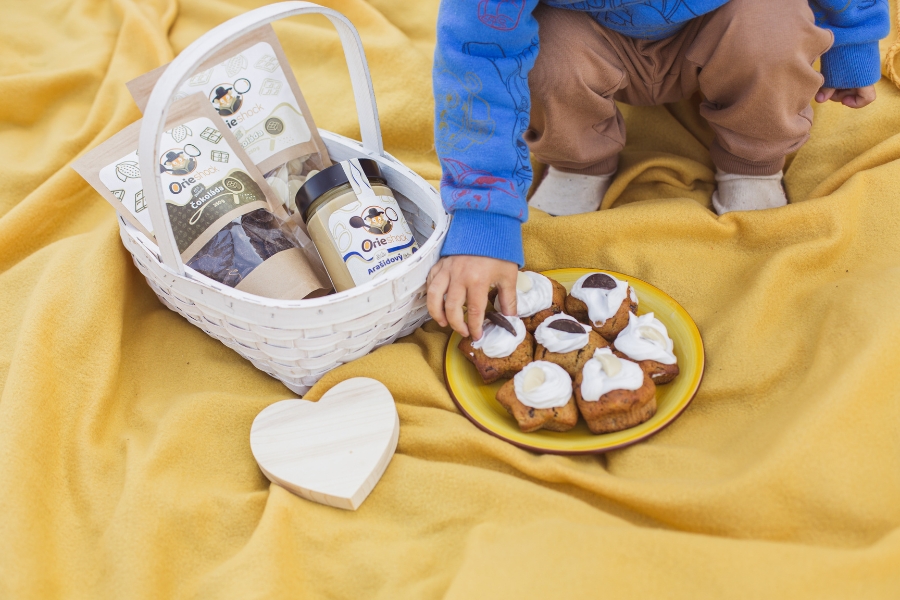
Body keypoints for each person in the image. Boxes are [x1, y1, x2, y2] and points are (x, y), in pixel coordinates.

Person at [426, 0, 890, 340]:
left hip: (723, 24)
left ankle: (752, 161)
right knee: (548, 55)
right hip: (585, 37)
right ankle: (578, 158)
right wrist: (483, 214)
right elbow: (477, 49)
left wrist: (853, 34)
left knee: (772, 25)